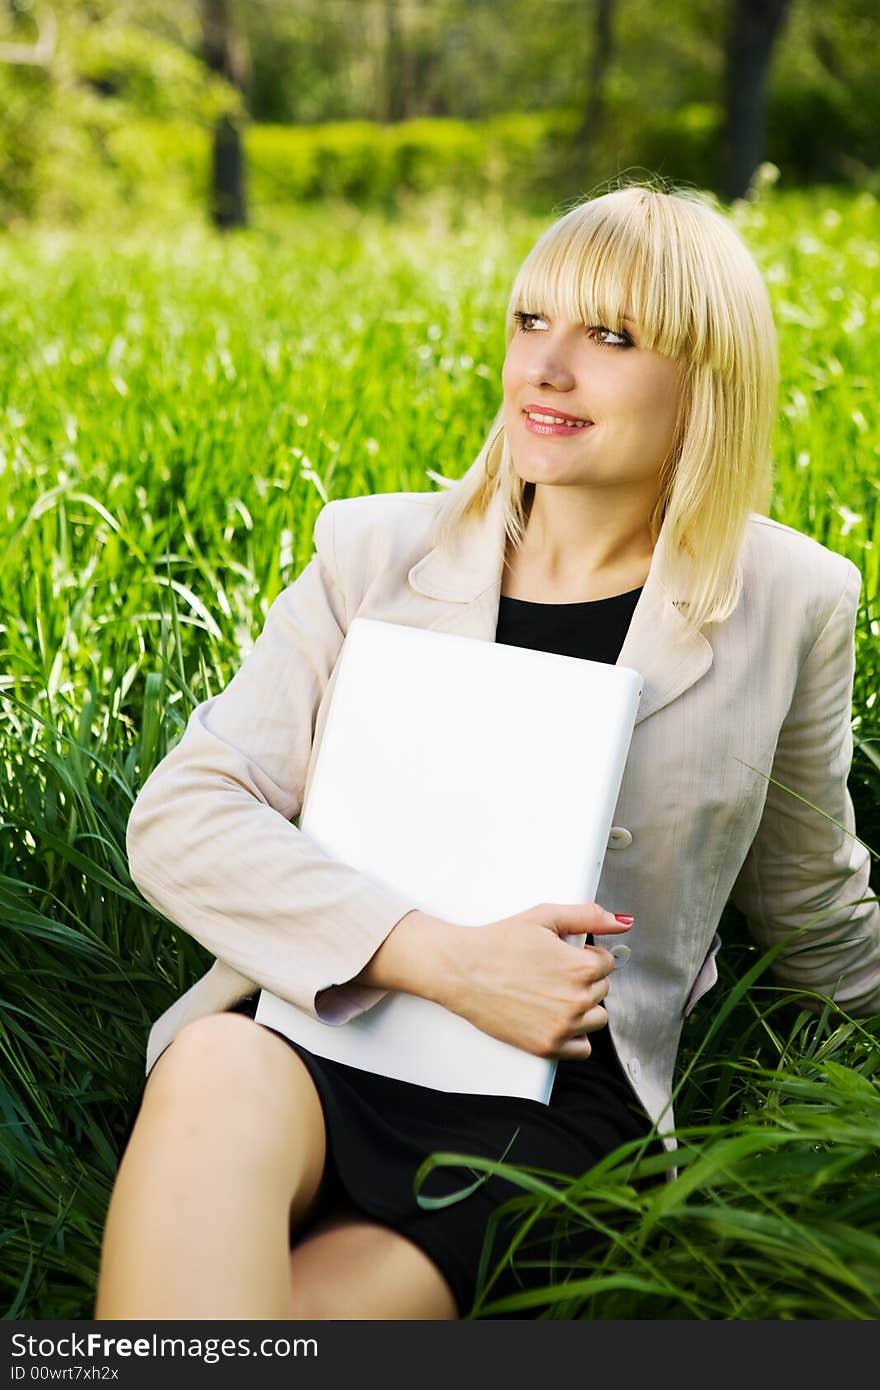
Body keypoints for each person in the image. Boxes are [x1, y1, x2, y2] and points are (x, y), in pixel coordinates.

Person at [93, 180, 880, 1322]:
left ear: (704, 379)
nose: (543, 369)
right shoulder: (371, 549)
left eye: (607, 336)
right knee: (214, 1065)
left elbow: (809, 903)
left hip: (541, 1108)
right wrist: (441, 959)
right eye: (529, 322)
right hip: (315, 1031)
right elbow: (183, 816)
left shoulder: (793, 598)